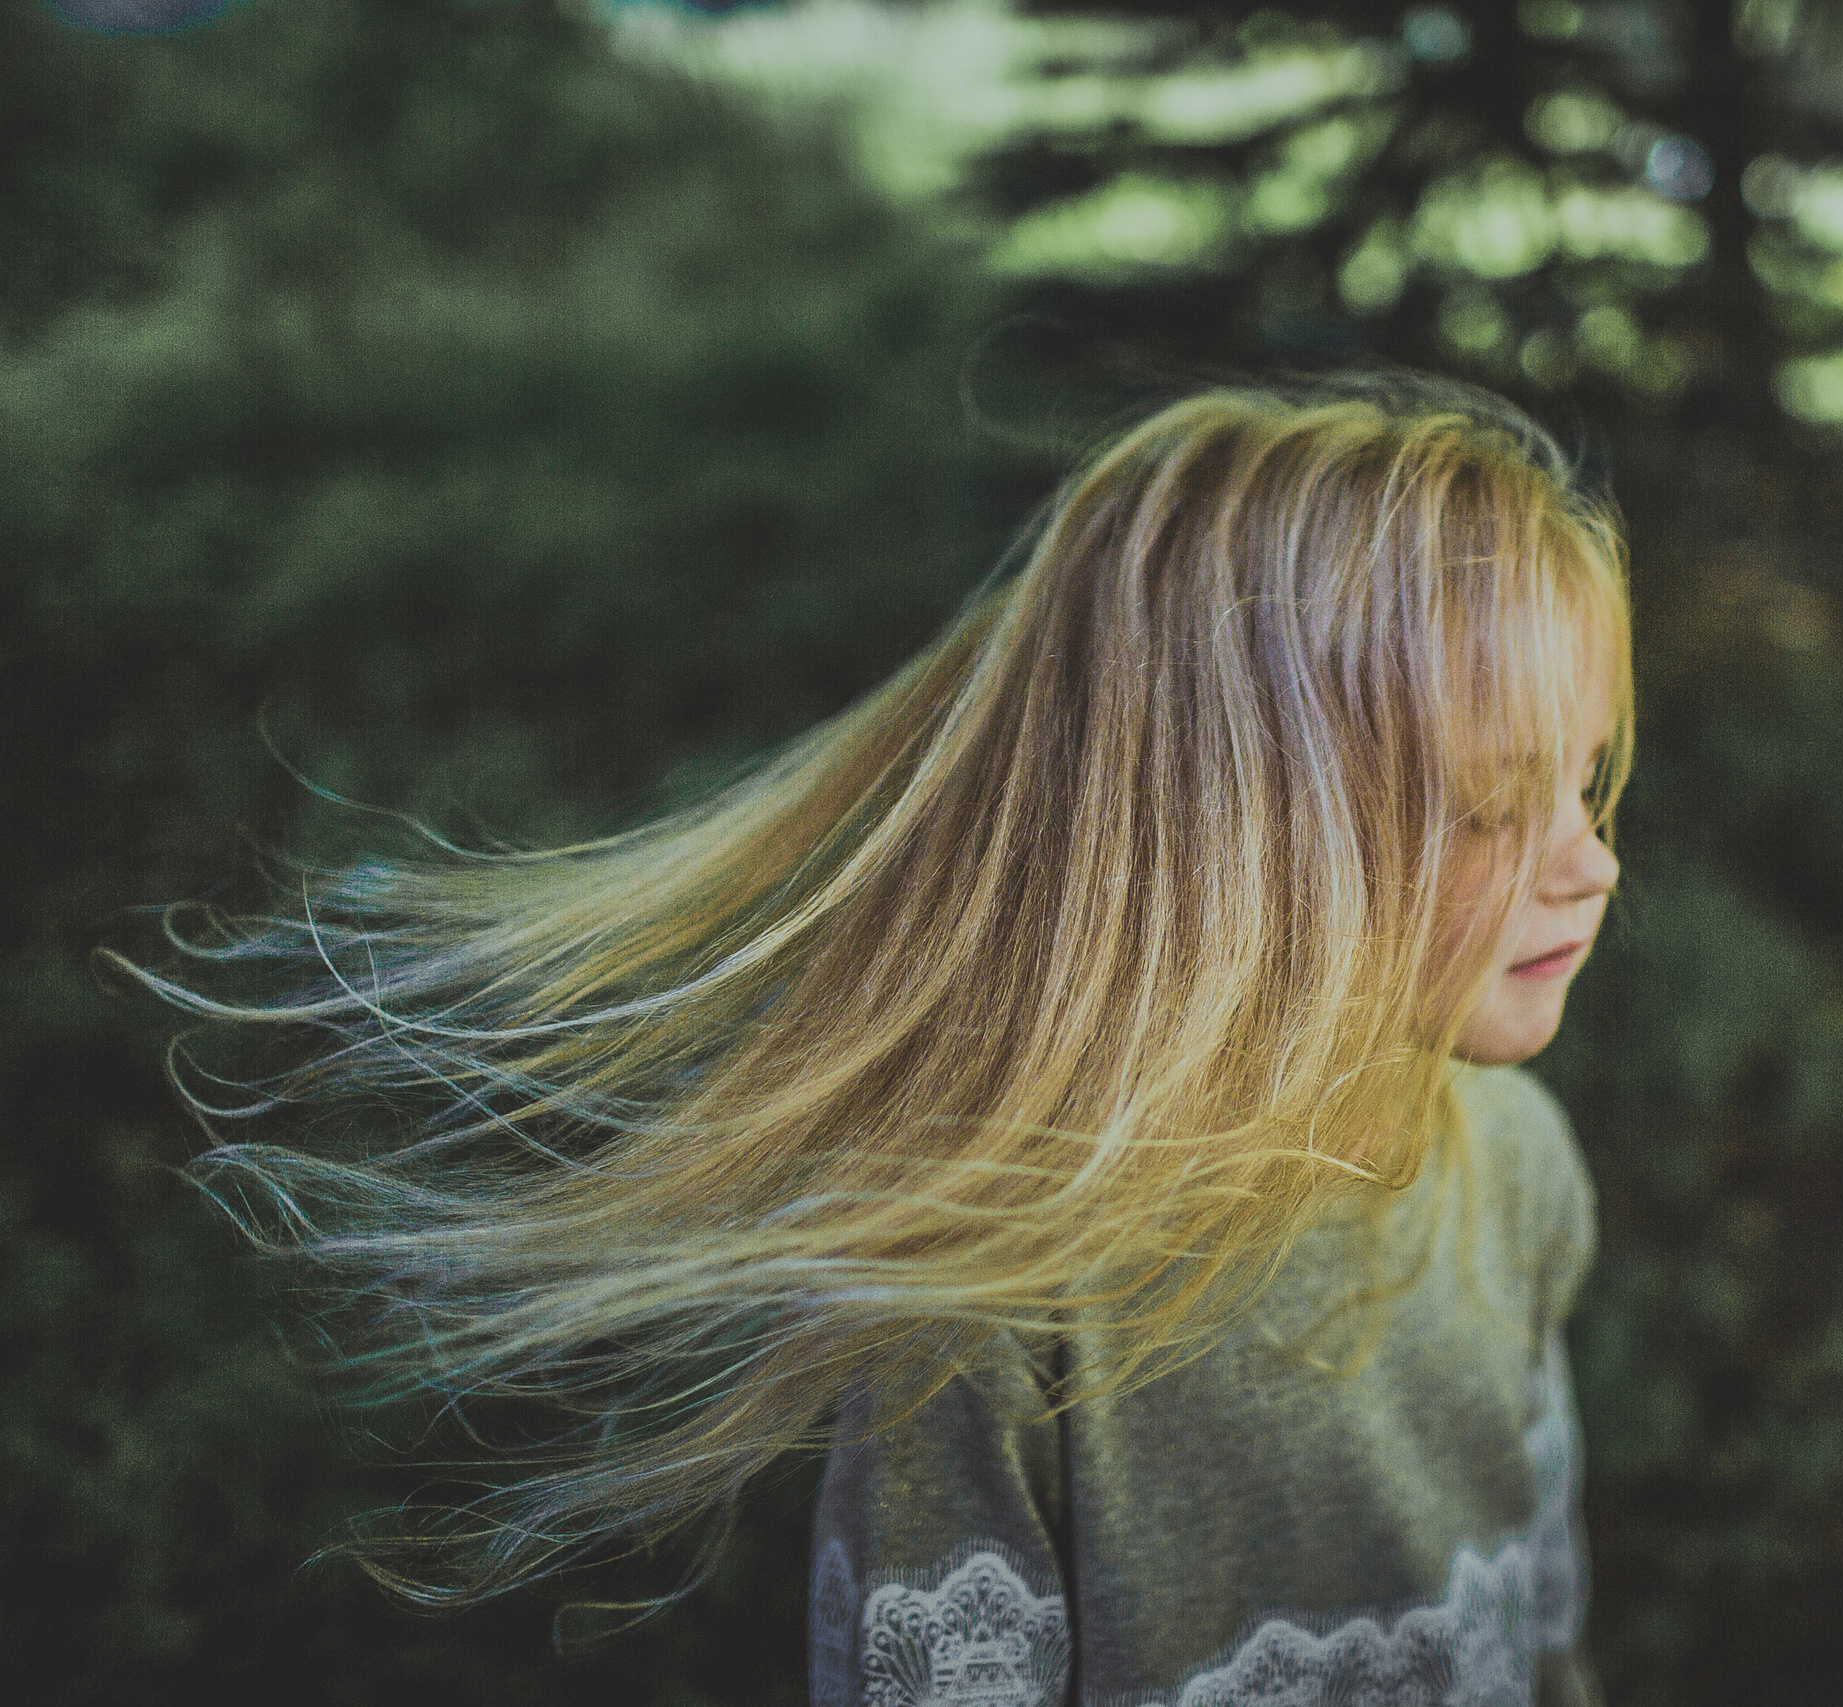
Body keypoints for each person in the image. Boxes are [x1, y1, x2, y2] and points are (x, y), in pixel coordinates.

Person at [115, 372, 1631, 1706]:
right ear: (1232, 843)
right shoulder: (992, 1303)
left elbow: (1545, 1637)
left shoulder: (1527, 1171)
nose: (1590, 861)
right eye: (1494, 805)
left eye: (1585, 782)